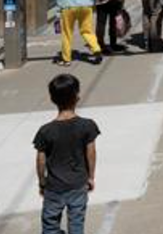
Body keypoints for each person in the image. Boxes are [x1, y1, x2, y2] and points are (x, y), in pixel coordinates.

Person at [34, 75, 99, 234]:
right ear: (77, 96)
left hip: (54, 187)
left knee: (50, 223)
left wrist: (42, 182)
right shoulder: (87, 125)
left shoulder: (45, 131)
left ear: (52, 99)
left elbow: (41, 159)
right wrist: (90, 176)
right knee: (76, 222)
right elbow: (91, 152)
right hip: (78, 184)